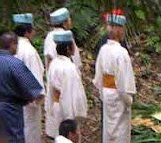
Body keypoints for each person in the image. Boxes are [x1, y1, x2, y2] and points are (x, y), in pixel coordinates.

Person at [93, 13, 136, 143]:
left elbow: (98, 77)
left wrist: (102, 93)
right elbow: (123, 82)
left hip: (106, 93)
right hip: (118, 95)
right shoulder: (121, 53)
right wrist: (128, 100)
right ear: (120, 30)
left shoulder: (103, 49)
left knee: (108, 128)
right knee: (120, 131)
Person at [0, 30, 44, 143]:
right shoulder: (14, 64)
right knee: (13, 138)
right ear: (13, 44)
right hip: (9, 110)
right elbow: (33, 90)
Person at [45, 31, 87, 140]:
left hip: (56, 105)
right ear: (69, 49)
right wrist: (73, 117)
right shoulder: (69, 68)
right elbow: (71, 94)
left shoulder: (54, 64)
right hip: (66, 108)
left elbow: (50, 89)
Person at [13, 14, 45, 143]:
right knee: (29, 132)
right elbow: (35, 78)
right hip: (27, 102)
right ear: (28, 32)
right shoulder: (29, 52)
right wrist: (38, 97)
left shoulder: (10, 48)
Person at [44, 8, 82, 74]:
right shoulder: (67, 36)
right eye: (69, 19)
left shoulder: (49, 36)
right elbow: (76, 60)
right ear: (64, 23)